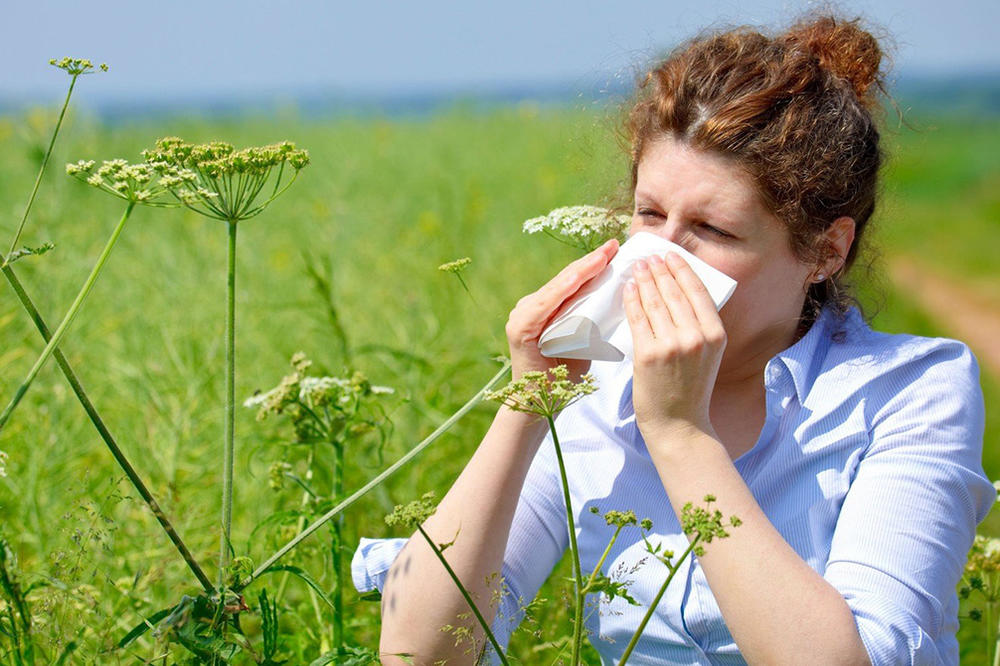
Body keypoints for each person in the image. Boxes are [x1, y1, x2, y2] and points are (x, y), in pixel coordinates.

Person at [352, 14, 995, 665]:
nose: (660, 256)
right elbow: (422, 654)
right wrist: (529, 401)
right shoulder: (595, 389)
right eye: (650, 214)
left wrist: (682, 434)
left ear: (825, 251)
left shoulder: (910, 392)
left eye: (713, 230)